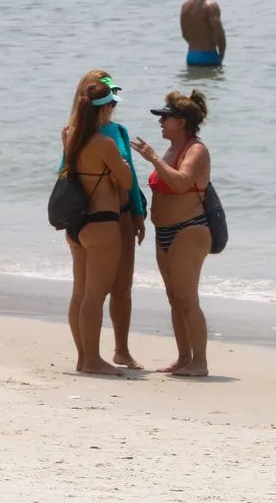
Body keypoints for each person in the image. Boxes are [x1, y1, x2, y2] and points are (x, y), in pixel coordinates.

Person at [63, 71, 147, 369]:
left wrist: (137, 211)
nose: (115, 105)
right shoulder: (95, 138)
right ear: (104, 106)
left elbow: (68, 172)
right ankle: (89, 357)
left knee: (101, 290)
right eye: (112, 99)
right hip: (102, 217)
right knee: (92, 293)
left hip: (91, 219)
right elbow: (127, 178)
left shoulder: (75, 135)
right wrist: (115, 171)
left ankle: (103, 354)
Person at [131, 90, 213, 377]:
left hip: (189, 230)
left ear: (181, 122)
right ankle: (183, 358)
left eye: (165, 117)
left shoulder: (196, 150)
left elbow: (181, 182)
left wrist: (154, 159)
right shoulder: (170, 150)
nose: (161, 122)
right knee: (174, 298)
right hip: (164, 232)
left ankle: (200, 362)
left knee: (187, 298)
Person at [181, 0, 226, 67]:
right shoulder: (211, 6)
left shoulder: (185, 6)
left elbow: (184, 34)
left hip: (191, 56)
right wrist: (221, 55)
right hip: (208, 56)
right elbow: (219, 34)